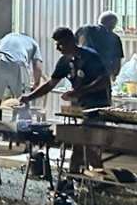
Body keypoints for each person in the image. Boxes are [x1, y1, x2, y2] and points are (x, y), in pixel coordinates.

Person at [20, 27, 111, 173]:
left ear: (70, 42)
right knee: (79, 142)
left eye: (60, 44)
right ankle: (74, 175)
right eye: (56, 44)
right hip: (80, 106)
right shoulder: (64, 62)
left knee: (89, 144)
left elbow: (104, 81)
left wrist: (80, 91)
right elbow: (50, 84)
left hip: (97, 106)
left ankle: (97, 177)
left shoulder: (90, 57)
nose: (57, 48)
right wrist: (29, 97)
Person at [0, 30, 44, 105]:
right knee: (23, 100)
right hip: (18, 61)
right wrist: (36, 84)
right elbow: (37, 66)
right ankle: (22, 110)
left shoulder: (7, 36)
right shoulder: (33, 42)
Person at [76, 12, 123, 81]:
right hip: (102, 74)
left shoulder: (85, 29)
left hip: (82, 71)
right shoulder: (115, 38)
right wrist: (114, 75)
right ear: (112, 24)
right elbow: (117, 60)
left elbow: (74, 45)